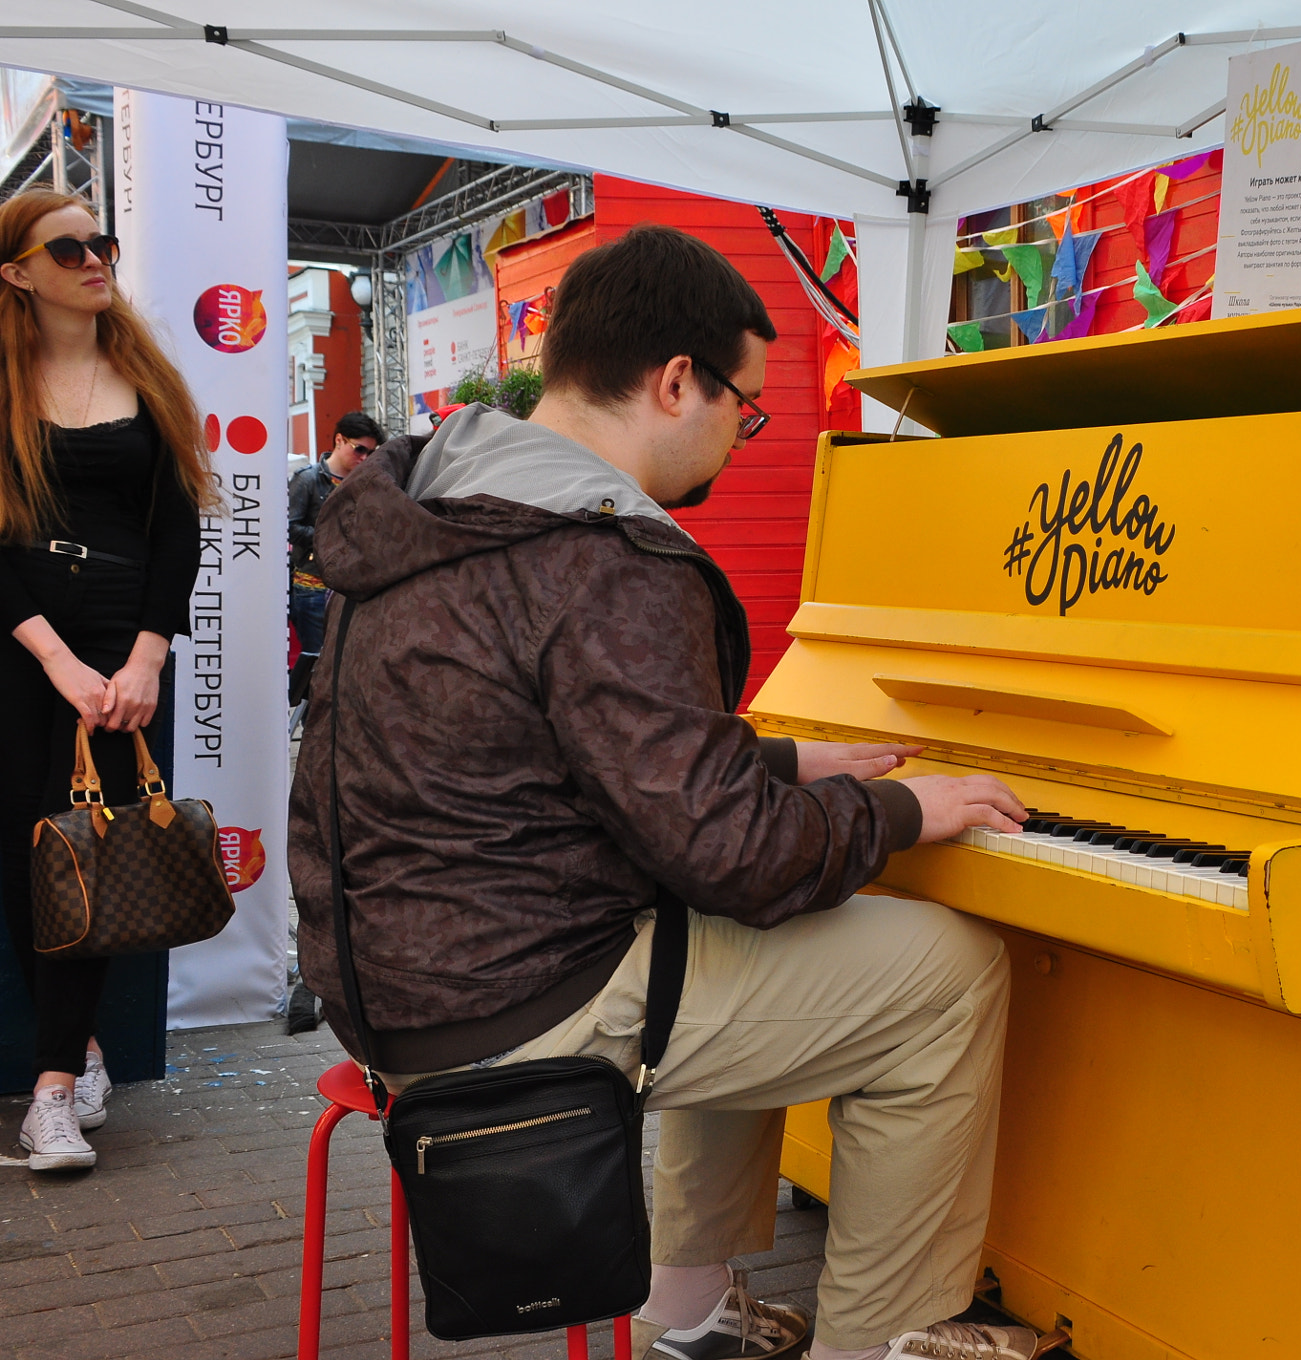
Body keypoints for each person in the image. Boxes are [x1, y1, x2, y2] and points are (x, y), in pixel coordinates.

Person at [290, 225, 1039, 1360]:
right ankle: (882, 1337)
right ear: (675, 379)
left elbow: (535, 749)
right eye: (747, 406)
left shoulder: (440, 500)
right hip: (508, 1007)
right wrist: (903, 811)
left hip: (396, 979)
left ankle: (687, 1308)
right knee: (947, 971)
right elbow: (728, 852)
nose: (745, 435)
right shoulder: (598, 550)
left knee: (741, 923)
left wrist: (780, 763)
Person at [0, 189, 208, 1171]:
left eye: (104, 242)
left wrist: (142, 660)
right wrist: (57, 658)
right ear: (17, 272)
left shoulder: (146, 375)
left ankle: (49, 1096)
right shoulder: (0, 385)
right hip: (20, 654)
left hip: (125, 672)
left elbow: (178, 530)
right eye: (69, 247)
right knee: (22, 862)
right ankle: (74, 1048)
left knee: (84, 859)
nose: (95, 259)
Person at [286, 411, 382, 721]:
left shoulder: (368, 482)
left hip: (352, 587)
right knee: (321, 663)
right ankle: (316, 724)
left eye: (371, 452)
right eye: (360, 449)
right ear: (339, 440)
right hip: (312, 587)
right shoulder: (308, 479)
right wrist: (332, 537)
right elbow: (288, 526)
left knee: (348, 662)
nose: (365, 458)